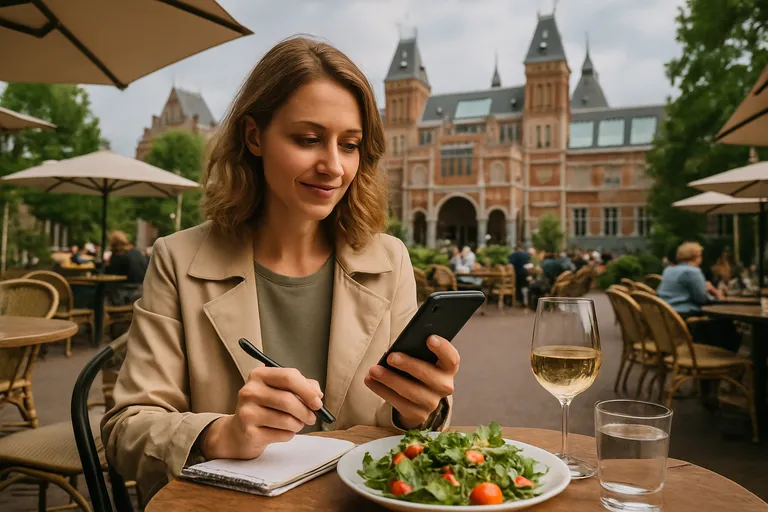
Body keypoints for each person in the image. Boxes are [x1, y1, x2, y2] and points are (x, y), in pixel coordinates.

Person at [101, 37, 458, 502]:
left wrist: (421, 410)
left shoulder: (390, 261)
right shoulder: (177, 259)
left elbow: (403, 430)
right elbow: (126, 431)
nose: (333, 166)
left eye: (350, 145)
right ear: (253, 136)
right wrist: (221, 434)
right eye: (308, 140)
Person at [657, 242, 738, 352]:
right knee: (726, 323)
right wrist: (715, 293)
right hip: (684, 315)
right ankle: (724, 355)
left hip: (666, 313)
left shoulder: (668, 270)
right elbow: (702, 299)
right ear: (698, 257)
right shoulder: (693, 272)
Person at [106, 231, 149, 306]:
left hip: (126, 294)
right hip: (142, 293)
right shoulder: (137, 252)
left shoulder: (118, 256)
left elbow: (110, 274)